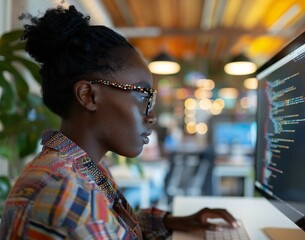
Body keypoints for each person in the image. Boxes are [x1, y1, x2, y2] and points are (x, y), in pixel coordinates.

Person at [0, 5, 238, 239]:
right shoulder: (68, 195)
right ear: (89, 96)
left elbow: (113, 223)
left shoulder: (77, 170)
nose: (152, 115)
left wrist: (173, 221)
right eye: (142, 95)